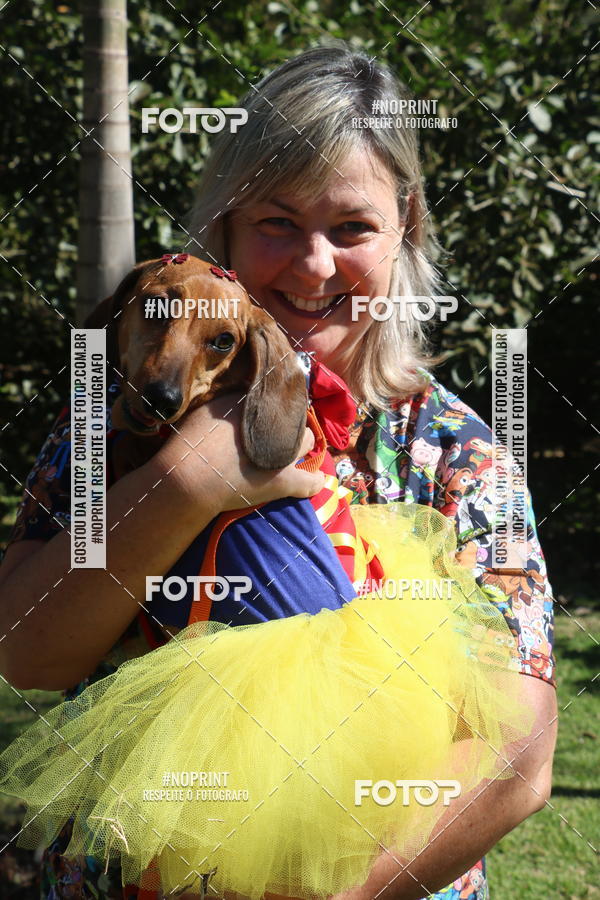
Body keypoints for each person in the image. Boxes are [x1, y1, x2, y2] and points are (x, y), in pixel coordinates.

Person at [0, 43, 556, 900]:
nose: (314, 264)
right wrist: (189, 479)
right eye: (277, 222)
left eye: (353, 227)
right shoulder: (111, 421)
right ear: (222, 226)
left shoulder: (458, 455)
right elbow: (27, 650)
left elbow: (514, 760)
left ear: (405, 223)